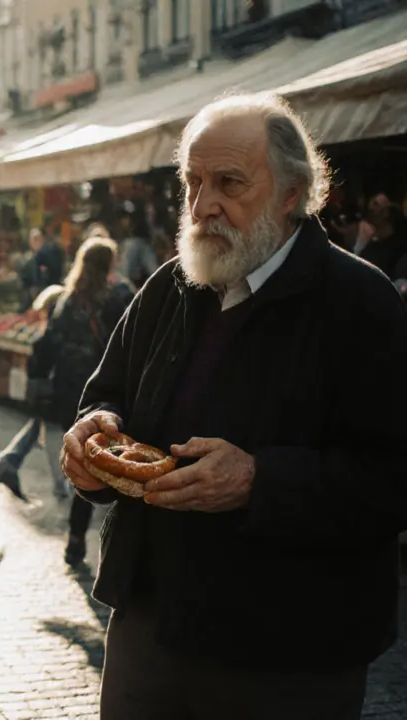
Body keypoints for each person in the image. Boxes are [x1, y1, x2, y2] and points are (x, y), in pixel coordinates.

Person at [60, 93, 407, 719]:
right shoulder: (170, 286)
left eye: (229, 183)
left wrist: (258, 479)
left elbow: (392, 477)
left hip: (287, 651)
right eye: (191, 182)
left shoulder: (361, 303)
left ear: (294, 192)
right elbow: (106, 393)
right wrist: (94, 434)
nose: (203, 204)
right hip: (150, 628)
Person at [30, 237, 134, 566]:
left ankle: (77, 538)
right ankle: (99, 540)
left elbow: (47, 345)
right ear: (110, 264)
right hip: (105, 398)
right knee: (104, 465)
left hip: (68, 393)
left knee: (82, 463)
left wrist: (38, 379)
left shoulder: (65, 300)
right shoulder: (121, 298)